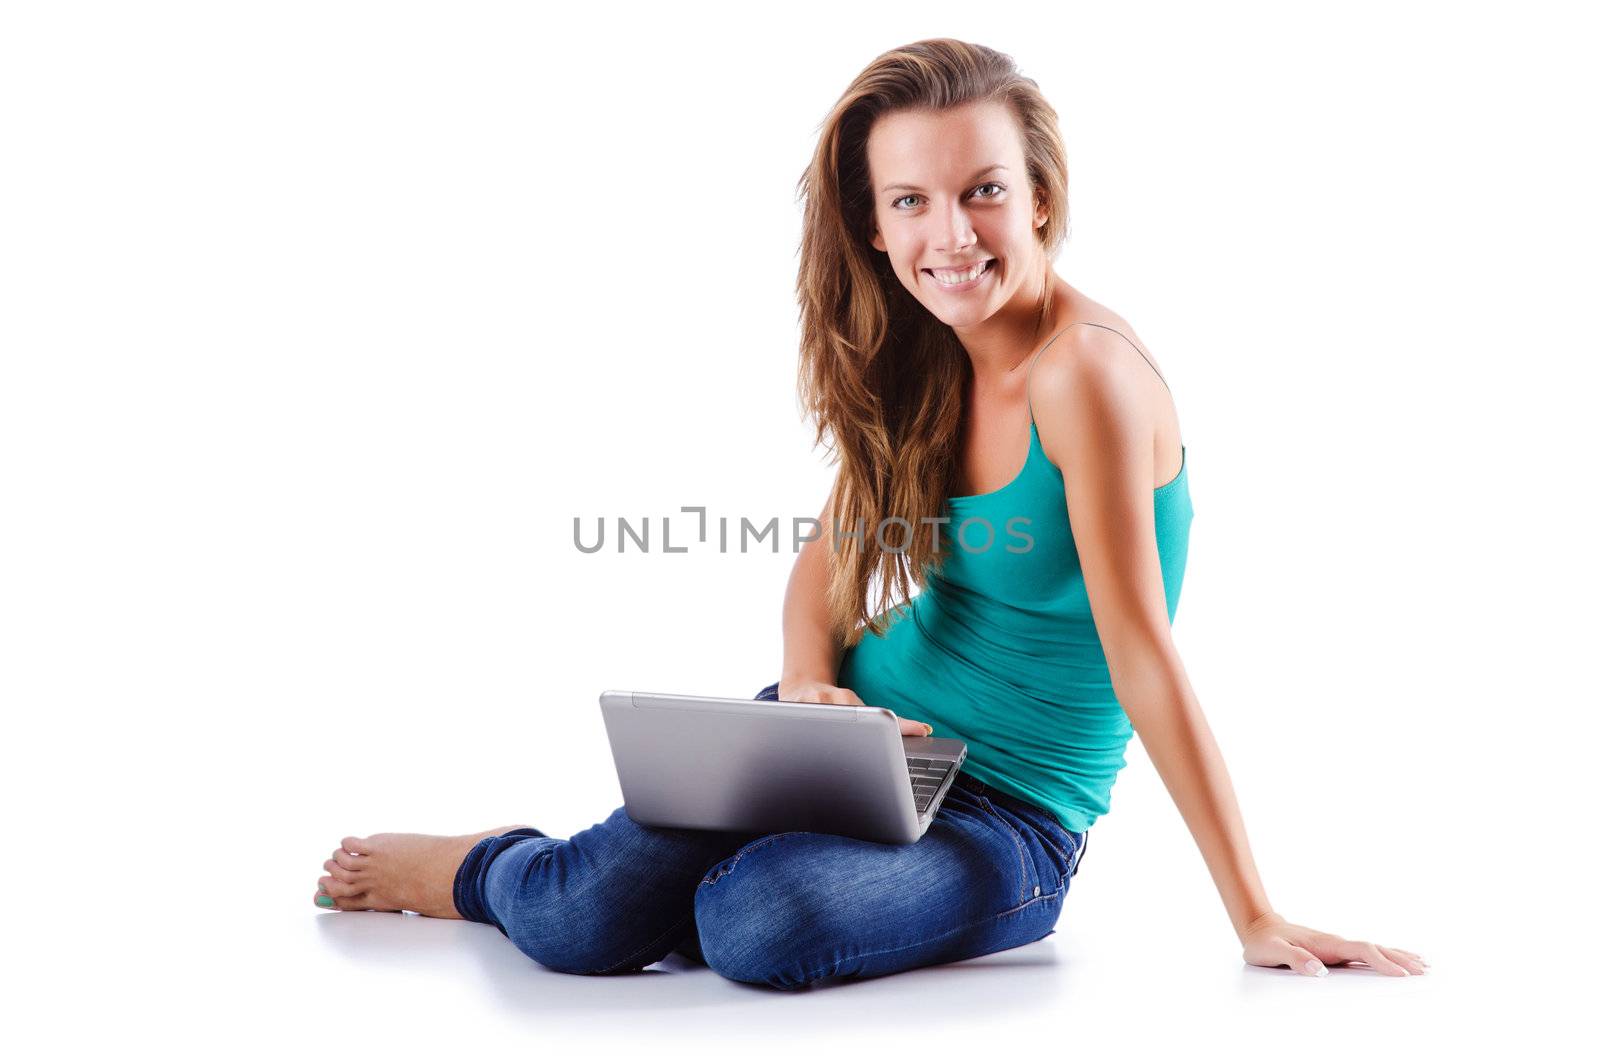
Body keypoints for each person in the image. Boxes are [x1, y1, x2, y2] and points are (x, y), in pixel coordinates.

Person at [312, 38, 1426, 988]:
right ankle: (471, 868)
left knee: (756, 924)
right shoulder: (922, 357)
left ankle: (707, 875)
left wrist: (1253, 912)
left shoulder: (1084, 375)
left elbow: (1144, 656)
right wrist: (807, 690)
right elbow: (828, 559)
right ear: (877, 227)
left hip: (1010, 817)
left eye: (983, 188)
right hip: (853, 747)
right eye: (912, 202)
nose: (953, 234)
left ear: (1039, 194)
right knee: (570, 922)